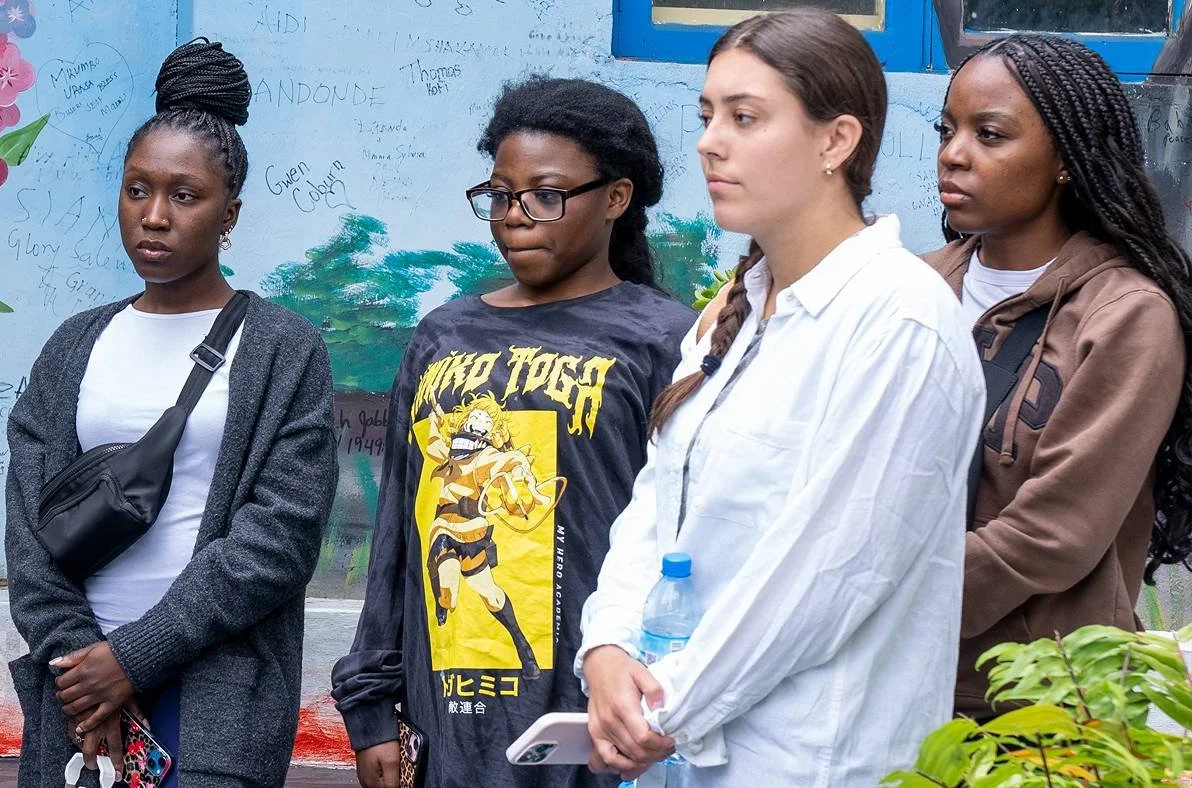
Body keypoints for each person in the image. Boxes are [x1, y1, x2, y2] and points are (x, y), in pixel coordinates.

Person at [576, 9, 983, 785]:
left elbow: (829, 572)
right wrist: (606, 649)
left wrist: (668, 708)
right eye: (706, 115)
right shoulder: (731, 310)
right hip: (671, 747)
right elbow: (658, 504)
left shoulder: (900, 319)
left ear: (836, 140)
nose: (708, 141)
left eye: (745, 117)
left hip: (808, 759)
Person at [332, 77, 694, 788]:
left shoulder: (664, 340)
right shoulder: (443, 336)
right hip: (452, 730)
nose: (516, 217)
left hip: (598, 723)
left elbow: (684, 534)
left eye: (546, 195)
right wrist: (372, 703)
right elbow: (399, 534)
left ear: (615, 199)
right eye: (500, 196)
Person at [3, 39, 336, 788]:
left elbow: (278, 540)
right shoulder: (73, 346)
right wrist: (84, 666)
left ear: (230, 213)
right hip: (77, 694)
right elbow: (30, 532)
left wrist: (134, 657)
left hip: (217, 696)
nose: (154, 217)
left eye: (184, 196)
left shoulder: (284, 349)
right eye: (136, 191)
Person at [927, 34, 1192, 718]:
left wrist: (878, 600)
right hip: (889, 684)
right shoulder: (911, 288)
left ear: (1067, 162)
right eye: (948, 129)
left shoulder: (1126, 317)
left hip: (1044, 707)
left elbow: (1053, 537)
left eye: (990, 134)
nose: (954, 153)